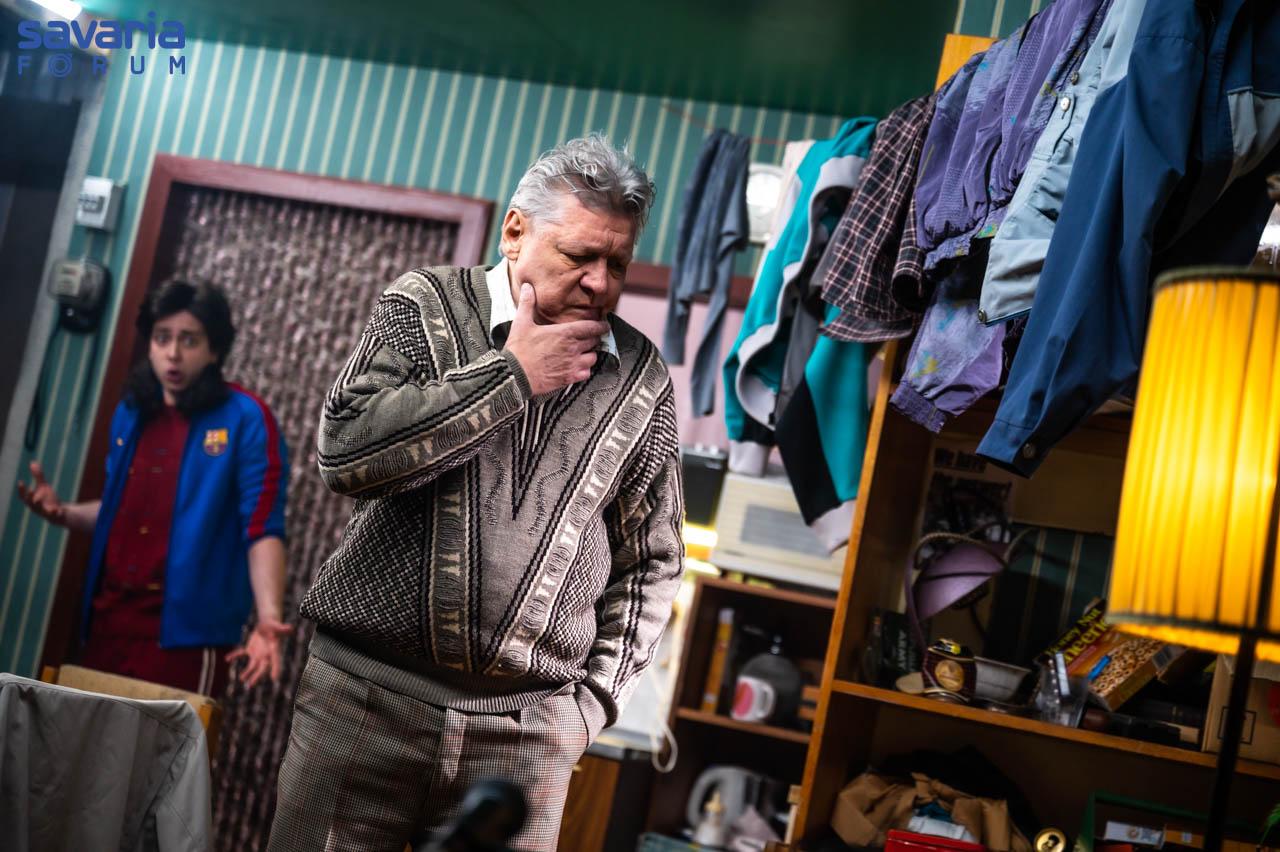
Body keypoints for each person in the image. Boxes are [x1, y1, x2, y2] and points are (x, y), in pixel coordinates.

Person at [269, 134, 685, 852]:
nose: (599, 282)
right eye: (579, 255)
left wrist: (589, 708)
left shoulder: (641, 376)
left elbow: (654, 560)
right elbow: (346, 452)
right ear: (515, 232)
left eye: (616, 263)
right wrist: (509, 376)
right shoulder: (421, 303)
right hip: (361, 704)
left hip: (526, 736)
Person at [17, 280, 291, 695]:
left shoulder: (246, 418)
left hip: (185, 636)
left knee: (166, 740)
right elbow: (118, 509)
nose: (173, 353)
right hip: (109, 620)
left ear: (215, 350)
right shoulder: (132, 412)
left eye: (189, 340)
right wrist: (65, 513)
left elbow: (262, 528)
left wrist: (269, 618)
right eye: (162, 338)